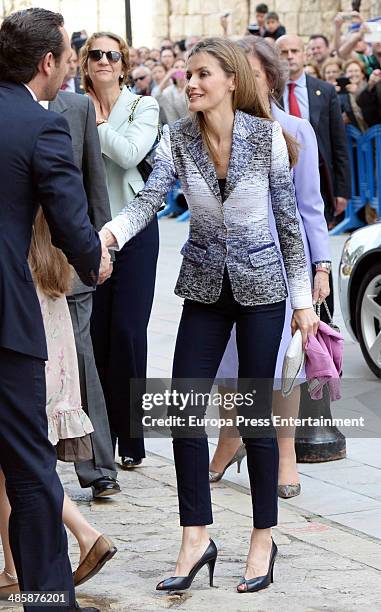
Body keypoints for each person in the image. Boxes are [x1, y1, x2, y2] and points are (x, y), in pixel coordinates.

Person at [99, 37, 318, 594]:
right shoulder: (178, 138)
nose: (189, 83)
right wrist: (111, 233)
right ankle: (196, 536)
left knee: (253, 418)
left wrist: (301, 302)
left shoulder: (266, 137)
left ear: (230, 79)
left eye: (201, 74)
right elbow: (150, 199)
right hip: (203, 290)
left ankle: (263, 537)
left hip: (263, 290)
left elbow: (289, 225)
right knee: (183, 415)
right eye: (186, 75)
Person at [0, 8, 109, 611]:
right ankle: (46, 598)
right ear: (48, 63)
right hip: (6, 320)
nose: (72, 64)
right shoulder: (39, 127)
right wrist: (95, 261)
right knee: (28, 463)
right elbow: (70, 218)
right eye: (69, 55)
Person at [209, 37, 331, 498]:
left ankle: (285, 456)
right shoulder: (216, 130)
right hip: (224, 267)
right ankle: (227, 440)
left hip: (281, 269)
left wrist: (320, 268)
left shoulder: (295, 130)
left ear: (271, 80)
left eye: (253, 75)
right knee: (228, 363)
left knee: (284, 365)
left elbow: (310, 208)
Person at [0, 210, 116, 595]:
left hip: (26, 361)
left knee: (18, 465)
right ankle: (15, 566)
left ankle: (82, 534)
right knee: (15, 466)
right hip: (51, 360)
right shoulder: (48, 244)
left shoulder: (17, 251)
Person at [80, 32, 160, 469]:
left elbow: (130, 154)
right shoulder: (70, 105)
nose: (104, 61)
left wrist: (96, 122)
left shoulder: (142, 106)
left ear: (123, 64)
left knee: (128, 334)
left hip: (134, 230)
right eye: (96, 54)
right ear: (85, 63)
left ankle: (131, 440)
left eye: (112, 55)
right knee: (95, 337)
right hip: (88, 232)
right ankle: (99, 443)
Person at [49, 90, 121, 500]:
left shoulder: (76, 108)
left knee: (80, 354)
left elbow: (94, 182)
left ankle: (96, 468)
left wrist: (101, 247)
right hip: (15, 262)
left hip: (68, 261)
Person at [276, 34, 351, 226]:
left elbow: (339, 143)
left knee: (317, 235)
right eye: (284, 52)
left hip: (318, 178)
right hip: (280, 179)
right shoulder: (268, 92)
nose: (290, 56)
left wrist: (342, 190)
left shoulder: (325, 91)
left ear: (304, 55)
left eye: (295, 51)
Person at [154, 58, 188, 125]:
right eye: (176, 67)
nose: (179, 69)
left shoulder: (192, 87)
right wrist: (167, 77)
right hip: (176, 127)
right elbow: (156, 97)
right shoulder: (169, 90)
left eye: (183, 67)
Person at [338, 58, 368, 131]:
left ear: (362, 74)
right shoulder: (342, 94)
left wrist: (357, 93)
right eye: (350, 71)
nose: (353, 74)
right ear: (345, 74)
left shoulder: (369, 89)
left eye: (356, 71)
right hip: (354, 134)